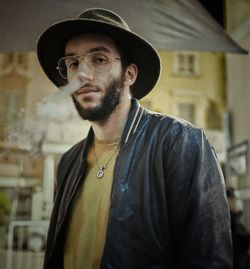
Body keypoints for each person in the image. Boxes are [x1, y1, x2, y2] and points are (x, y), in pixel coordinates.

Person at [37, 8, 232, 269]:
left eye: (99, 59)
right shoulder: (68, 162)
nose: (82, 74)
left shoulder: (180, 143)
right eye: (73, 63)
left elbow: (208, 259)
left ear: (129, 74)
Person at [226, 187, 250, 269]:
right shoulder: (230, 224)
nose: (239, 202)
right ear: (229, 200)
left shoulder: (236, 221)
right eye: (236, 199)